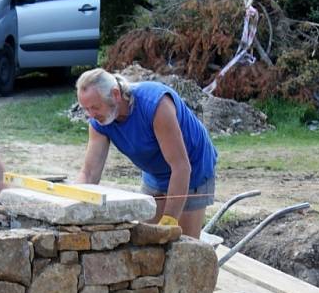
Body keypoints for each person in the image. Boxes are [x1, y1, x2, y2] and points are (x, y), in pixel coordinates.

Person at [74, 68, 217, 238]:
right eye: (86, 109)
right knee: (146, 240)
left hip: (193, 169)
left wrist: (169, 221)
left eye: (95, 107)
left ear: (115, 94)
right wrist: (73, 203)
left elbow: (181, 167)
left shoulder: (155, 104)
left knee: (184, 246)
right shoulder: (99, 123)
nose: (91, 115)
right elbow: (89, 173)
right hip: (155, 174)